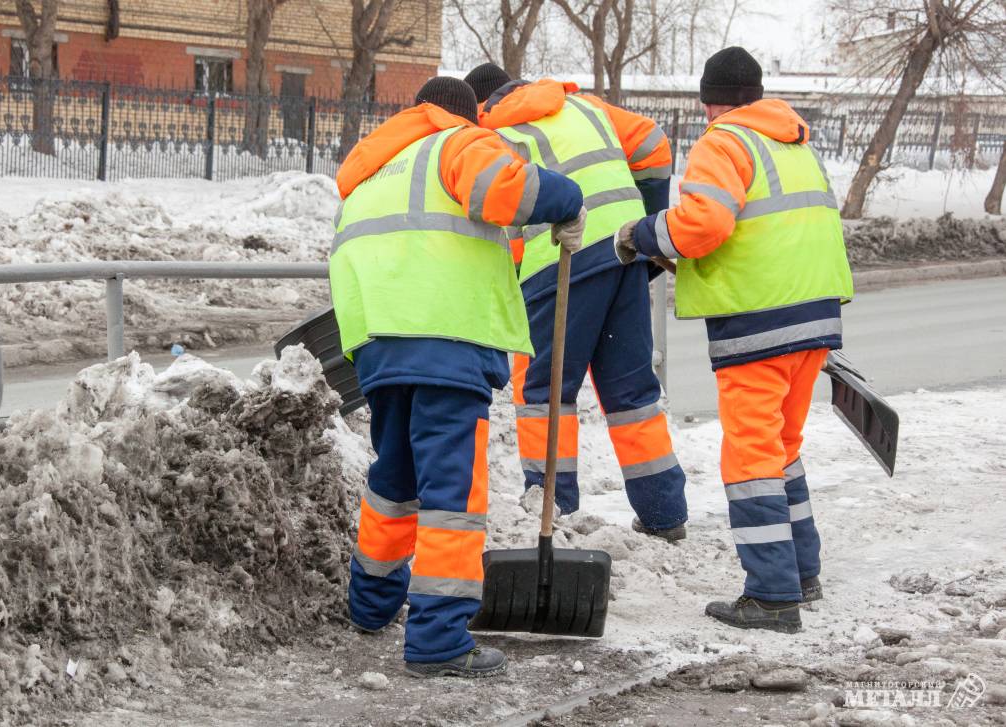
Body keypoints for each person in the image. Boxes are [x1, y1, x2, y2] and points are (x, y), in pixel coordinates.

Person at [330, 76, 585, 677]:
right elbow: (505, 189)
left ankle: (370, 607)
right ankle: (438, 639)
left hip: (379, 343)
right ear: (467, 119)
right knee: (452, 496)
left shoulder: (376, 167)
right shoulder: (457, 142)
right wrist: (568, 198)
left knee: (395, 477)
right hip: (445, 339)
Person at [614, 47, 854, 633]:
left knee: (750, 459)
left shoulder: (724, 142)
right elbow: (765, 231)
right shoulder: (793, 144)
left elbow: (705, 224)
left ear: (708, 102)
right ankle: (801, 574)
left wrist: (642, 234)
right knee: (781, 450)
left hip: (759, 325)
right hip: (814, 318)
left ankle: (772, 597)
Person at [463, 63, 688, 541]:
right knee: (632, 393)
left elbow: (505, 220)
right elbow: (652, 142)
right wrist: (644, 223)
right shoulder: (582, 105)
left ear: (481, 104)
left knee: (543, 394)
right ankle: (664, 514)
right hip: (624, 252)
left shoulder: (491, 134)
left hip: (559, 262)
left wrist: (513, 280)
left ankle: (554, 512)